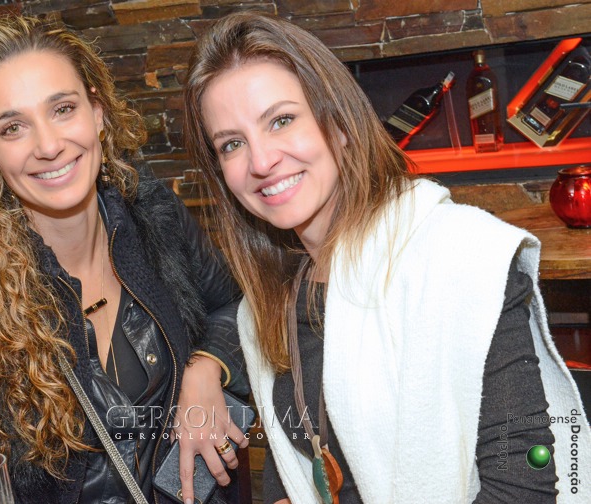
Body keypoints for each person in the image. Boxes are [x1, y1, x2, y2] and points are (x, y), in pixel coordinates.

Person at [183, 11, 591, 504]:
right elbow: (293, 466)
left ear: (339, 124)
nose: (262, 161)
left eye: (282, 120)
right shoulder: (269, 305)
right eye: (232, 144)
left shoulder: (463, 261)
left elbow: (522, 490)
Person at [0, 16, 249, 504]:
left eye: (63, 109)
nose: (48, 146)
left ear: (97, 112)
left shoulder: (154, 216)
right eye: (12, 128)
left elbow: (235, 306)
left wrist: (207, 366)